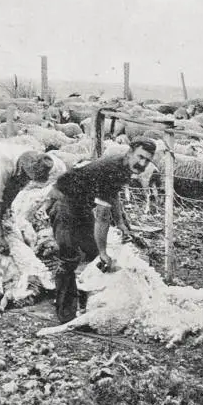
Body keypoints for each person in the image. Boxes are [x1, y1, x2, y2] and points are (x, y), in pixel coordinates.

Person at [45, 137, 156, 323]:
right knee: (69, 257)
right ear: (130, 153)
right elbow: (103, 217)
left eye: (147, 160)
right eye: (140, 157)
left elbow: (113, 195)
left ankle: (82, 297)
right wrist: (104, 251)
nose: (143, 163)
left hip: (80, 205)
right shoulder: (112, 169)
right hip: (64, 203)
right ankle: (65, 313)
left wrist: (120, 222)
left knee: (92, 252)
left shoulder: (123, 168)